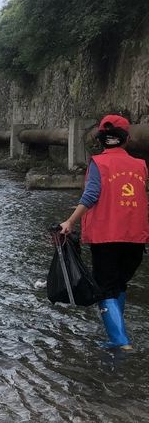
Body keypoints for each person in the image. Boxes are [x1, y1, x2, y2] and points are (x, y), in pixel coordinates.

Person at [59, 114, 149, 349]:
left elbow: (90, 195)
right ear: (126, 139)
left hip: (106, 236)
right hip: (136, 237)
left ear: (100, 141)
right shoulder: (141, 165)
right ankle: (116, 331)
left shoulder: (99, 163)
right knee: (119, 284)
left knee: (105, 287)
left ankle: (120, 341)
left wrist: (69, 222)